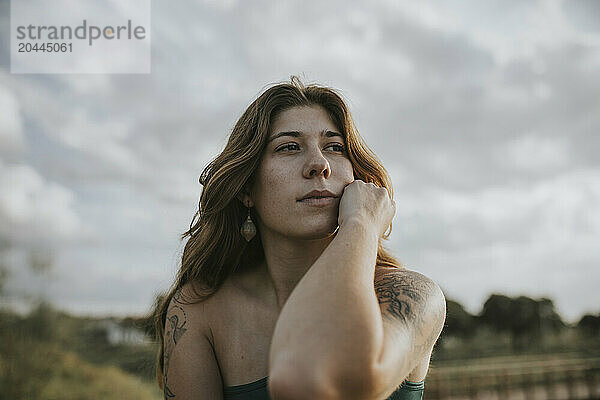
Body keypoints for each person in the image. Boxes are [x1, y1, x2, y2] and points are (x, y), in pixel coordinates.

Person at [153, 76, 446, 400]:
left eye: (334, 147)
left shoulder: (412, 296)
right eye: (289, 147)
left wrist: (360, 222)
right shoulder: (200, 309)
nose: (319, 165)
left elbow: (327, 378)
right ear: (247, 189)